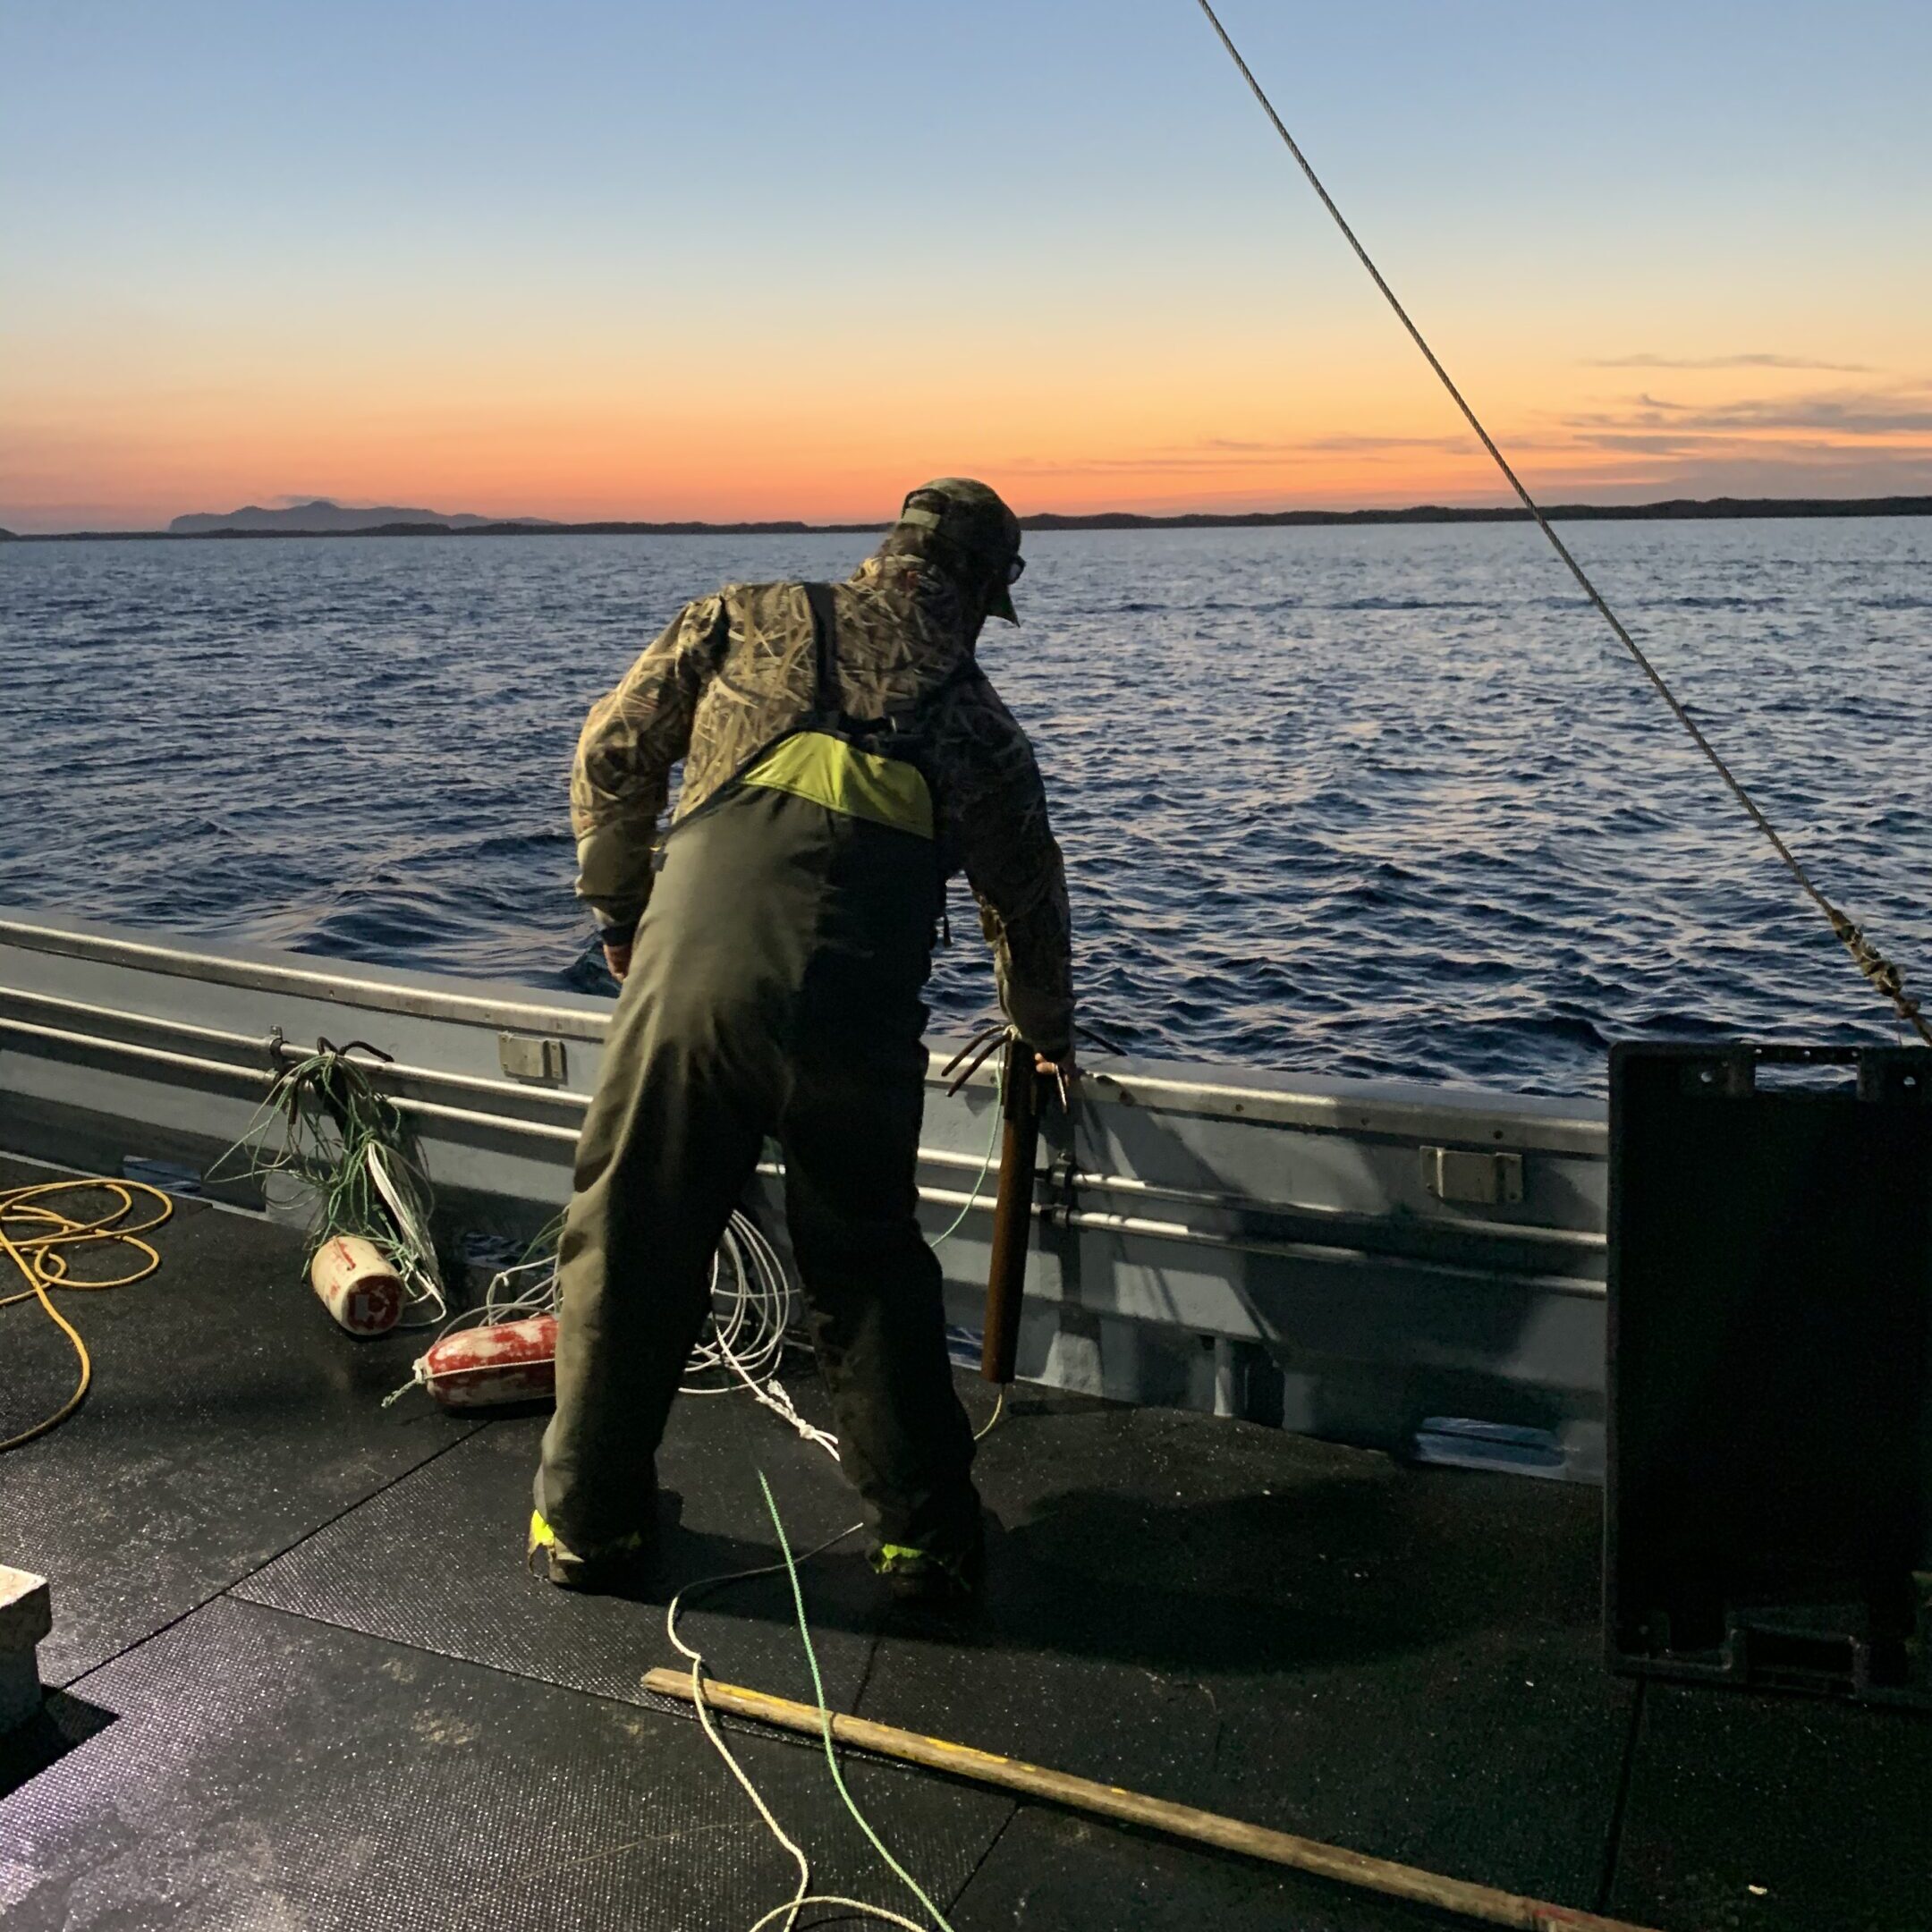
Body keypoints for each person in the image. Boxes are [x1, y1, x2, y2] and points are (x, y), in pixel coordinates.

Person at [529, 478, 1075, 1603]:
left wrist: (622, 911)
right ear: (979, 592)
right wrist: (1041, 1032)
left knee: (631, 1242)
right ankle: (924, 1543)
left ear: (888, 553)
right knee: (868, 1267)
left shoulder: (742, 616)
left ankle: (588, 1528)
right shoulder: (979, 724)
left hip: (692, 996)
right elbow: (1027, 904)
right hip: (852, 1032)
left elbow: (612, 752)